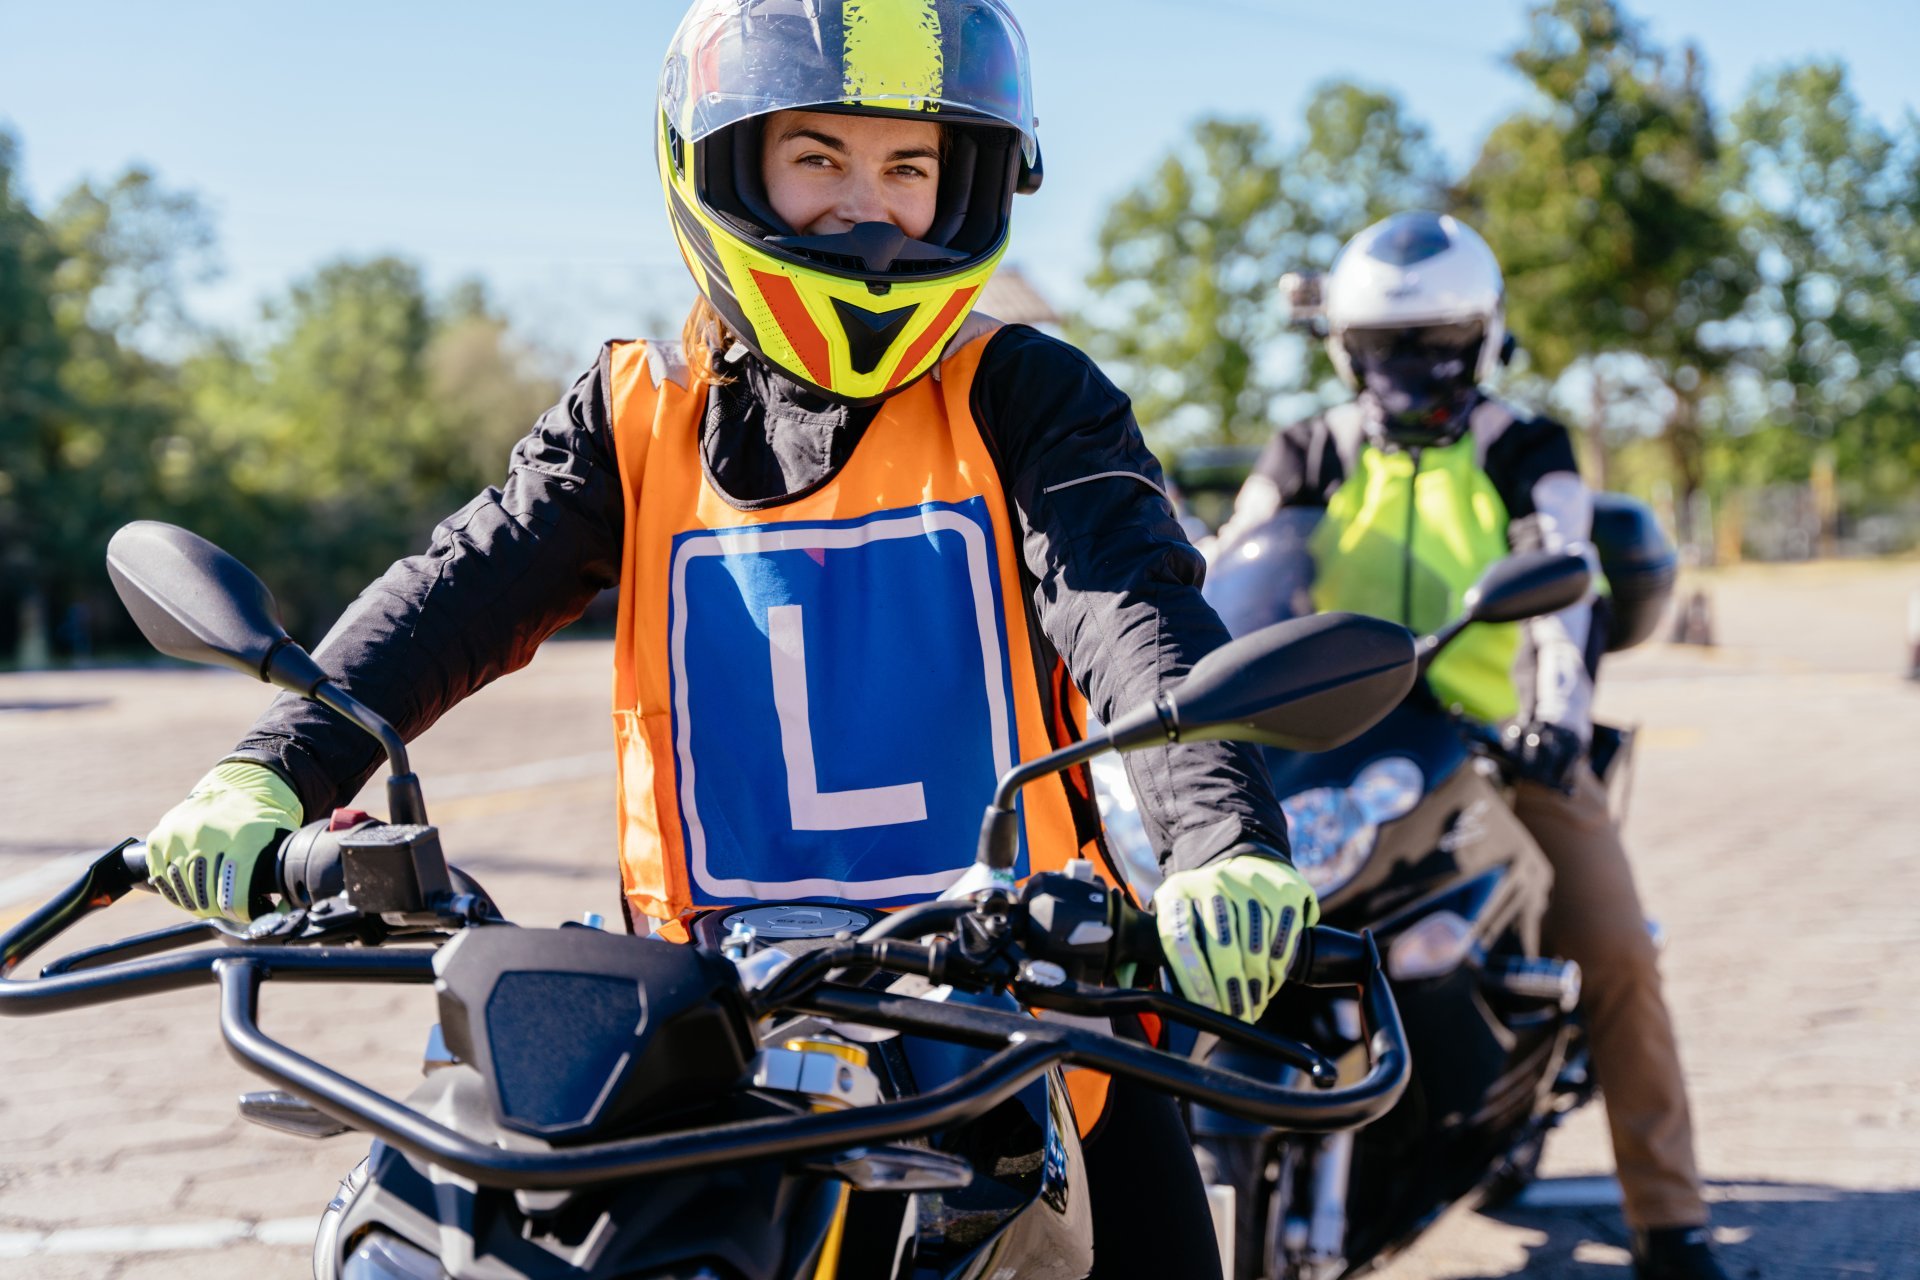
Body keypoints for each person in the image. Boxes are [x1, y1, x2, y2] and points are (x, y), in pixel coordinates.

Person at [139, 2, 1317, 1274]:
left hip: (1023, 1024)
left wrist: (1220, 841)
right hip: (717, 1038)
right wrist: (274, 763)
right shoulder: (633, 415)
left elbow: (1134, 610)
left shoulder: (1027, 391)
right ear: (720, 165)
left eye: (909, 165)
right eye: (819, 156)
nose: (870, 206)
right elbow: (457, 589)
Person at [1222, 210, 1728, 1280]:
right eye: (1388, 344)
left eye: (1438, 340)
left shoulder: (1523, 446)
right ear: (1346, 346)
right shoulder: (1308, 448)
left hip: (1497, 742)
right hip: (1328, 741)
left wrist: (1552, 713)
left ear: (1484, 336)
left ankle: (1672, 1224)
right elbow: (1238, 566)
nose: (1412, 365)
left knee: (1618, 952)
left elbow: (1563, 570)